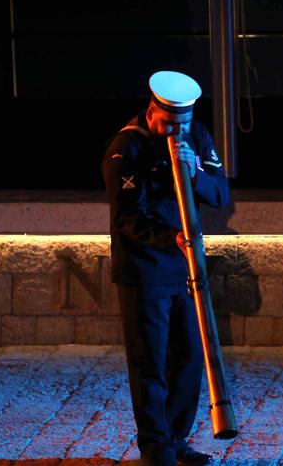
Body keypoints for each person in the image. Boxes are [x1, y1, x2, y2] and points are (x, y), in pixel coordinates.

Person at [101, 71, 231, 466]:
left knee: (189, 358)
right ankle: (155, 447)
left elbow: (221, 193)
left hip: (187, 269)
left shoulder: (198, 136)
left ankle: (176, 440)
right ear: (153, 112)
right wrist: (170, 238)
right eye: (171, 124)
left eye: (185, 123)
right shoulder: (126, 149)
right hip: (144, 272)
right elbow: (127, 219)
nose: (179, 131)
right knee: (150, 362)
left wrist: (195, 172)